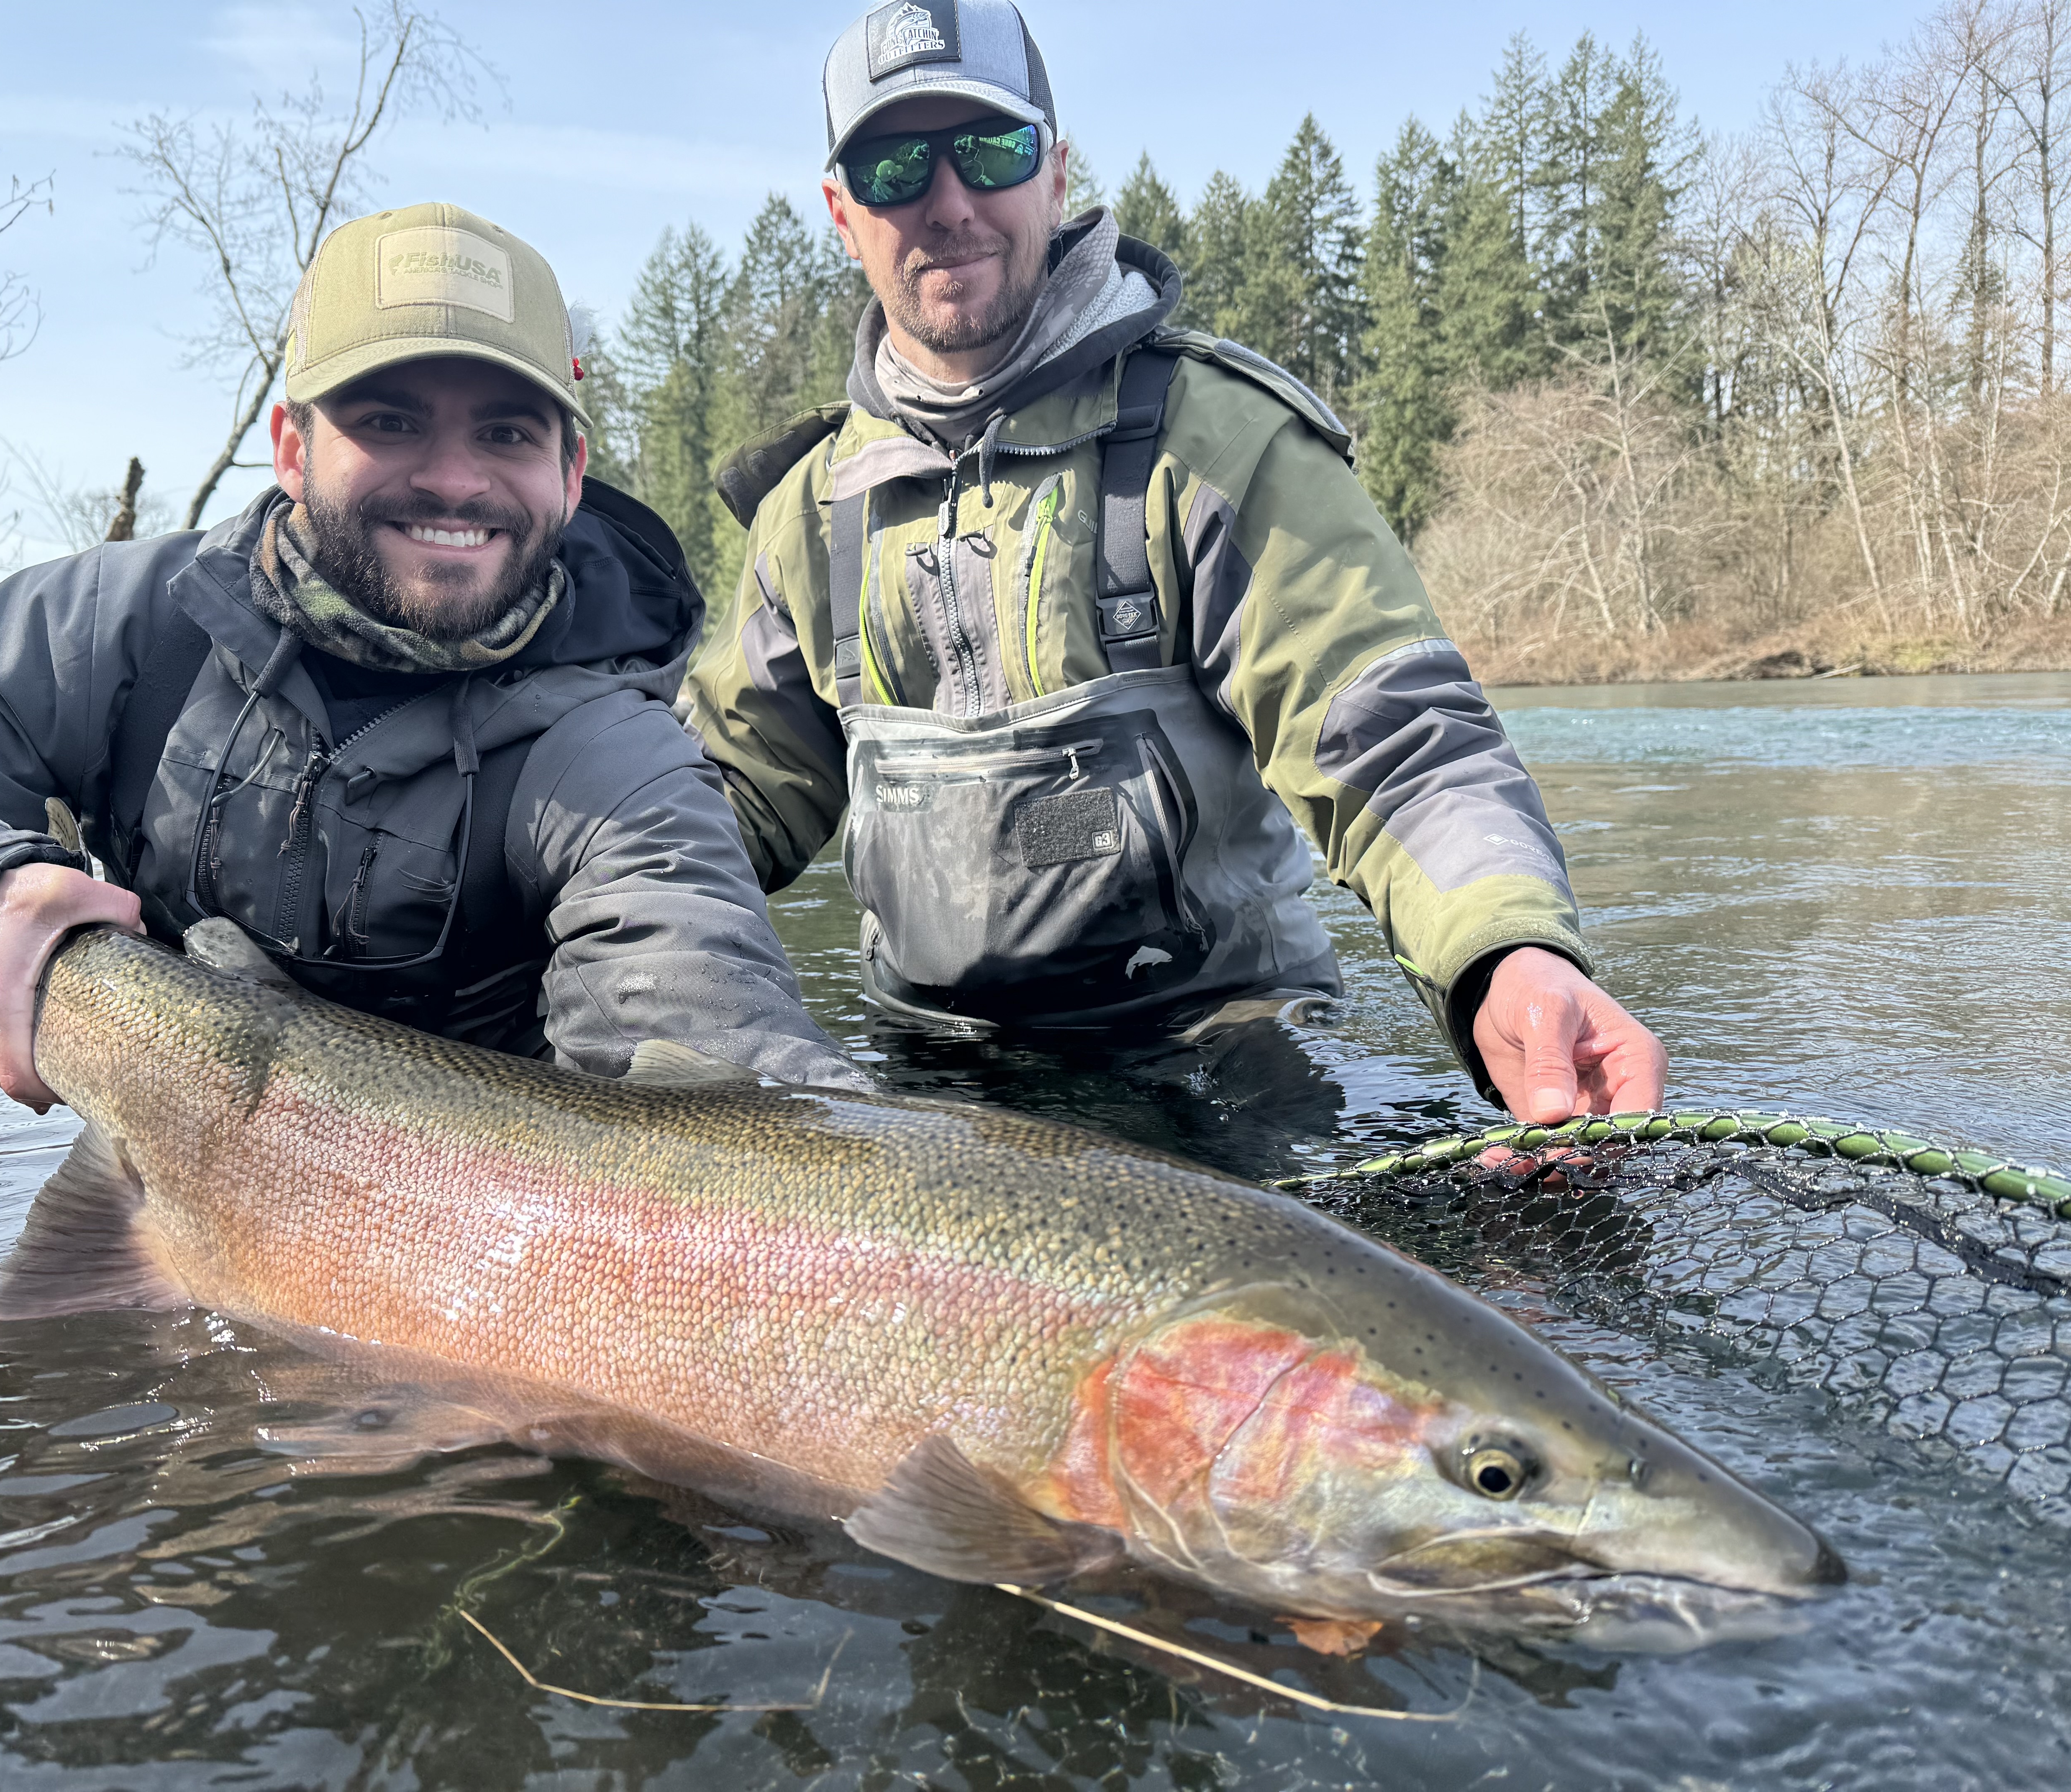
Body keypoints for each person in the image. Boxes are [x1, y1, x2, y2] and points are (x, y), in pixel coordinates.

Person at [681, 0, 1668, 1123]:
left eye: (990, 151)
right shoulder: (810, 513)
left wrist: (1509, 954)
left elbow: (1393, 740)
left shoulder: (1216, 440)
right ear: (840, 210)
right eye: (896, 165)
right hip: (931, 1089)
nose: (948, 202)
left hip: (1218, 1070)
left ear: (1054, 174)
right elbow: (714, 810)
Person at [0, 202, 864, 1105]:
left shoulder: (618, 758)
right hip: (168, 1187)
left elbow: (728, 1081)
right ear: (291, 445)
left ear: (570, 470)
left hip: (480, 1263)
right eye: (391, 420)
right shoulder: (124, 630)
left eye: (504, 432)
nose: (453, 477)